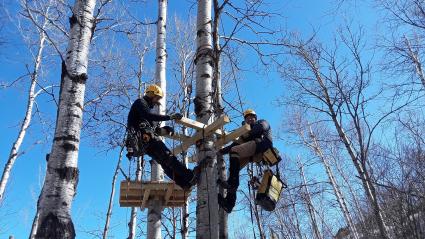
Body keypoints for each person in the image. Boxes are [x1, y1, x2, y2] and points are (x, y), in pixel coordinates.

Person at [126, 84, 198, 189]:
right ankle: (190, 176)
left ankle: (184, 183)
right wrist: (170, 117)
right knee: (168, 157)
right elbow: (148, 116)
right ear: (151, 94)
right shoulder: (140, 103)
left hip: (145, 143)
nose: (157, 101)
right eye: (157, 98)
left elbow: (152, 126)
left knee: (165, 163)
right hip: (147, 140)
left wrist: (166, 128)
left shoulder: (142, 112)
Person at [217, 109, 273, 212]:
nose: (250, 119)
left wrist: (245, 132)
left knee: (235, 152)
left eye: (252, 117)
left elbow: (260, 129)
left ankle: (232, 185)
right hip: (252, 153)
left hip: (262, 146)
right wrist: (221, 151)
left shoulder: (261, 122)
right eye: (247, 118)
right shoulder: (245, 132)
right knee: (234, 168)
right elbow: (235, 145)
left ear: (255, 118)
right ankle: (229, 203)